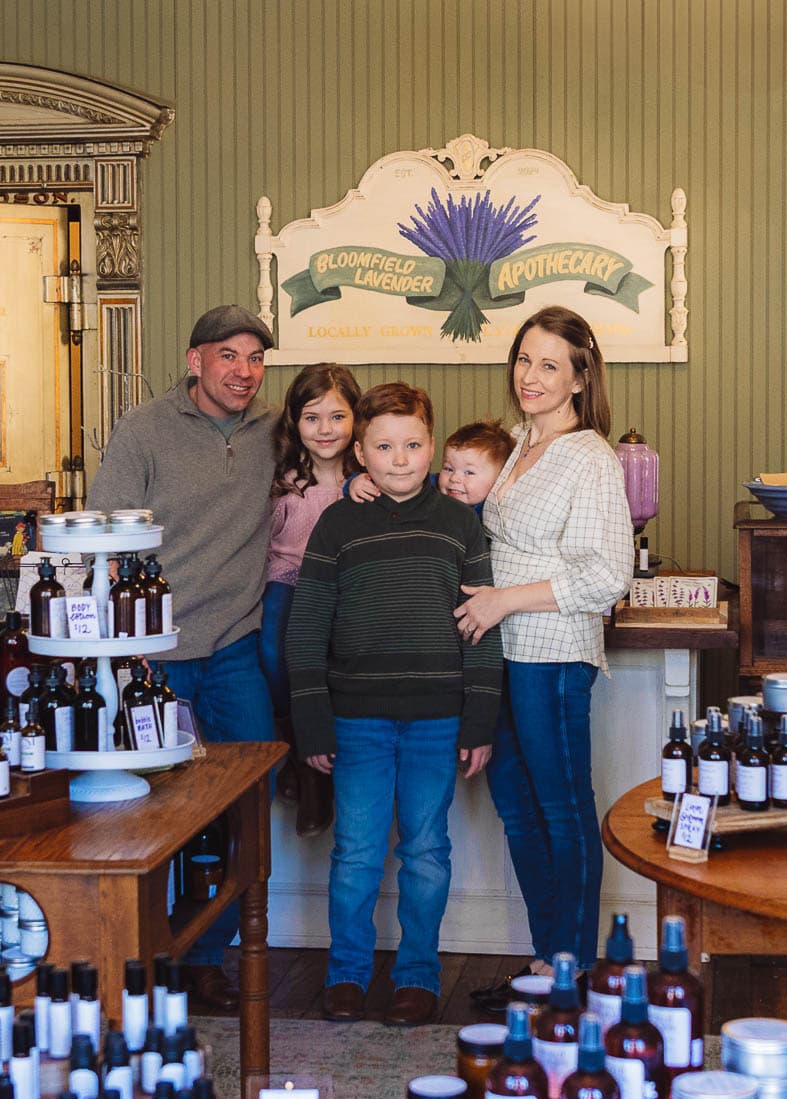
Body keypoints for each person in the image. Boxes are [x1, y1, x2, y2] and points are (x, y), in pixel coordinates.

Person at [287, 382, 502, 1028]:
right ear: (360, 451)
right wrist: (312, 721)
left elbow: (480, 625)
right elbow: (307, 627)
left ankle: (416, 974)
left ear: (431, 446)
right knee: (354, 849)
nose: (399, 458)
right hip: (356, 719)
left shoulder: (460, 523)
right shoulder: (339, 522)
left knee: (426, 850)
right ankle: (346, 973)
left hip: (438, 718)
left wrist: (480, 719)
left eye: (412, 445)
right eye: (383, 446)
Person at [85, 304, 279, 1012]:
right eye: (229, 356)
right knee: (147, 806)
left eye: (255, 359)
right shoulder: (145, 428)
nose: (244, 372)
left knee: (244, 800)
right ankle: (140, 950)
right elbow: (104, 529)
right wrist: (123, 652)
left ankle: (205, 953)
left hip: (234, 646)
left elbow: (333, 461)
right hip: (153, 653)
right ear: (194, 360)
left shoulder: (272, 431)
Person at [453, 306, 635, 1009]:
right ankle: (544, 957)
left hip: (553, 655)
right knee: (518, 809)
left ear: (580, 379)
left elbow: (604, 573)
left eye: (548, 365)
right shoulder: (519, 440)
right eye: (523, 359)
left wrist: (501, 599)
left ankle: (577, 971)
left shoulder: (589, 456)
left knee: (560, 810)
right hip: (502, 654)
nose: (529, 376)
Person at [260, 363, 363, 837]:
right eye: (312, 418)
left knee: (337, 668)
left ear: (356, 419)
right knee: (275, 656)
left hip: (344, 588)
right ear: (295, 423)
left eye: (337, 417)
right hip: (287, 579)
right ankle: (299, 758)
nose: (326, 430)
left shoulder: (366, 477)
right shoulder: (281, 478)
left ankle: (327, 774)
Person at [345, 417, 514, 513]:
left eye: (469, 473)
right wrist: (355, 482)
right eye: (448, 468)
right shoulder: (431, 486)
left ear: (499, 478)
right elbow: (389, 483)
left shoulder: (492, 509)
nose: (454, 478)